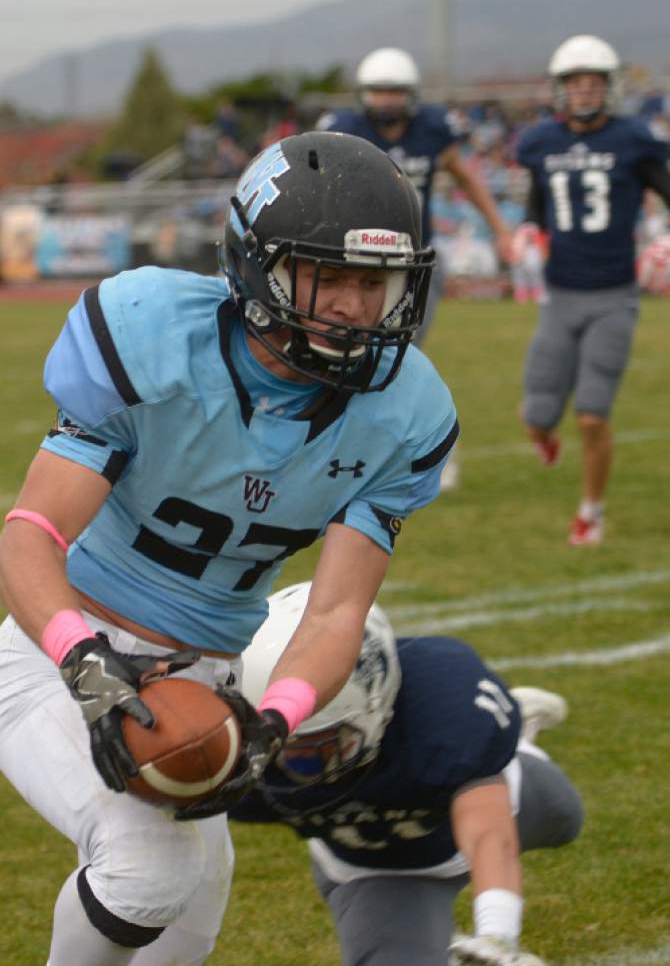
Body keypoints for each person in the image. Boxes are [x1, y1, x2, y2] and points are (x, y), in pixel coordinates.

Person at [0, 131, 458, 966]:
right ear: (257, 265)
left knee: (183, 938)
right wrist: (86, 662)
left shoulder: (406, 413)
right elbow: (30, 535)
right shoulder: (150, 335)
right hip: (59, 653)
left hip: (207, 679)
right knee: (144, 874)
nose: (356, 308)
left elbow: (336, 608)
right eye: (331, 277)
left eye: (375, 282)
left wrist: (273, 716)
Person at [232, 582, 583, 966]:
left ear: (378, 700)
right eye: (280, 744)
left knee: (564, 814)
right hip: (375, 866)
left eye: (318, 746)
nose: (292, 764)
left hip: (470, 811)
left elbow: (487, 832)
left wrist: (497, 935)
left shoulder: (440, 705)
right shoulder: (235, 752)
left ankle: (517, 739)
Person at [318, 48, 514, 493]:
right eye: (379, 91)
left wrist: (500, 226)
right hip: (355, 266)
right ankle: (336, 451)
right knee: (341, 357)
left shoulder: (432, 129)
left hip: (413, 265)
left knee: (400, 361)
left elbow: (463, 174)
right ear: (364, 95)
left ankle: (435, 450)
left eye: (395, 91)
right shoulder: (345, 132)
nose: (386, 100)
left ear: (411, 95)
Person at [516, 34, 670, 545]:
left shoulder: (633, 139)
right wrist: (529, 229)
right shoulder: (541, 142)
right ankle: (545, 437)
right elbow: (539, 200)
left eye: (593, 82)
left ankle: (590, 511)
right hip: (560, 296)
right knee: (536, 416)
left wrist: (662, 242)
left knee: (591, 414)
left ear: (609, 87)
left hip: (614, 295)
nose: (583, 91)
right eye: (574, 83)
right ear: (560, 89)